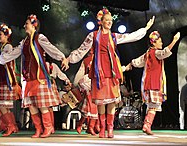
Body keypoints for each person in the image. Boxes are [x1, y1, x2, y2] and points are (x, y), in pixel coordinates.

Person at [62, 8, 155, 138]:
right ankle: (102, 128)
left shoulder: (113, 36)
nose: (109, 23)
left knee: (111, 102)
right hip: (99, 73)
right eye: (107, 20)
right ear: (101, 22)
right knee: (100, 102)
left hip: (111, 73)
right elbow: (81, 50)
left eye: (111, 21)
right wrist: (68, 59)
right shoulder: (93, 35)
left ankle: (110, 129)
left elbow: (130, 36)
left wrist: (145, 29)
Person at [0, 14, 68, 138]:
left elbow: (50, 48)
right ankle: (38, 129)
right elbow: (13, 53)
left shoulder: (39, 38)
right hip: (28, 78)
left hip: (39, 77)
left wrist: (62, 57)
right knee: (31, 106)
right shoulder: (24, 42)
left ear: (34, 25)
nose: (24, 26)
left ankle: (47, 128)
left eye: (26, 24)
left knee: (42, 105)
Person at [131, 31, 180, 135]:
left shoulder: (148, 53)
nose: (161, 43)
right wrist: (174, 40)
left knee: (151, 106)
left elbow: (136, 62)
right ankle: (147, 125)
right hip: (153, 83)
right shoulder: (156, 53)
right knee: (153, 106)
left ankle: (146, 125)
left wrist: (126, 67)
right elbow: (164, 52)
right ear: (154, 43)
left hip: (148, 83)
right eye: (160, 41)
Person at [0, 24, 19, 137]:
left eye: (1, 35)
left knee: (1, 104)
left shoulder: (7, 47)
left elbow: (5, 58)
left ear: (6, 36)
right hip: (1, 79)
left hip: (4, 79)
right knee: (3, 105)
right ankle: (12, 126)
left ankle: (10, 126)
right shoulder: (2, 47)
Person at [73, 53, 100, 135]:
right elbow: (81, 73)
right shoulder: (87, 60)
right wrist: (75, 84)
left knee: (88, 109)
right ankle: (90, 127)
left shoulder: (102, 58)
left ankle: (85, 125)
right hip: (89, 84)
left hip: (98, 84)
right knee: (92, 106)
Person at [45, 54, 71, 133]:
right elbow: (61, 75)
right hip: (47, 85)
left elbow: (61, 75)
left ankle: (49, 126)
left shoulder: (53, 66)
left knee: (48, 106)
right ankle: (49, 126)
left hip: (48, 85)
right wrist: (67, 80)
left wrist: (67, 80)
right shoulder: (40, 65)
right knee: (47, 107)